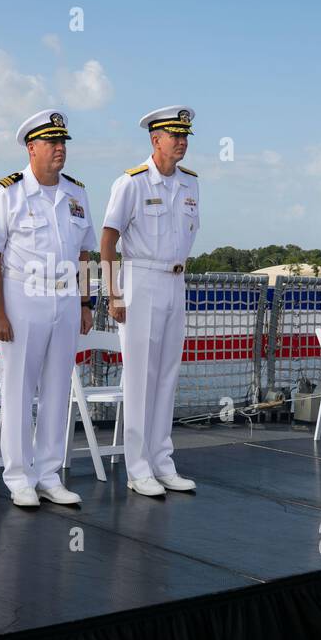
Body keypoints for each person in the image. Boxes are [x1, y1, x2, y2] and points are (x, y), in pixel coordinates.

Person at [0, 109, 96, 507]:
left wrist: (86, 301)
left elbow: (86, 254)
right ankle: (18, 475)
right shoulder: (7, 191)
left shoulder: (77, 193)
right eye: (52, 142)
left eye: (63, 142)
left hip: (64, 296)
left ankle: (49, 473)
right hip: (22, 295)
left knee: (58, 389)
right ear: (32, 147)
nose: (60, 149)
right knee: (18, 389)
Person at [100, 106, 201, 497]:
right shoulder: (132, 183)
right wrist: (113, 293)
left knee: (166, 376)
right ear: (155, 139)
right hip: (139, 279)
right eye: (174, 135)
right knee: (140, 376)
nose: (182, 141)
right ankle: (138, 467)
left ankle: (162, 460)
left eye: (185, 135)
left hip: (176, 281)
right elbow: (108, 239)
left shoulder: (191, 184)